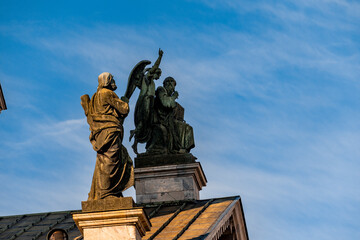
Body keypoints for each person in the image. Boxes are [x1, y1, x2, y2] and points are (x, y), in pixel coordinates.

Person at [81, 72, 134, 200]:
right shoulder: (107, 93)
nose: (113, 81)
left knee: (109, 160)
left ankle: (110, 190)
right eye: (112, 79)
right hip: (110, 131)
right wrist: (124, 102)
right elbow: (124, 109)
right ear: (107, 81)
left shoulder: (94, 97)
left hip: (102, 133)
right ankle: (106, 193)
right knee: (111, 161)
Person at [147, 77, 195, 154]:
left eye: (171, 82)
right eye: (167, 81)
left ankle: (182, 149)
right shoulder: (161, 90)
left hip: (169, 120)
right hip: (161, 120)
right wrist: (174, 96)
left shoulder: (171, 99)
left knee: (187, 128)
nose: (169, 83)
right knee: (185, 128)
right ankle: (179, 148)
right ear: (164, 84)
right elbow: (166, 103)